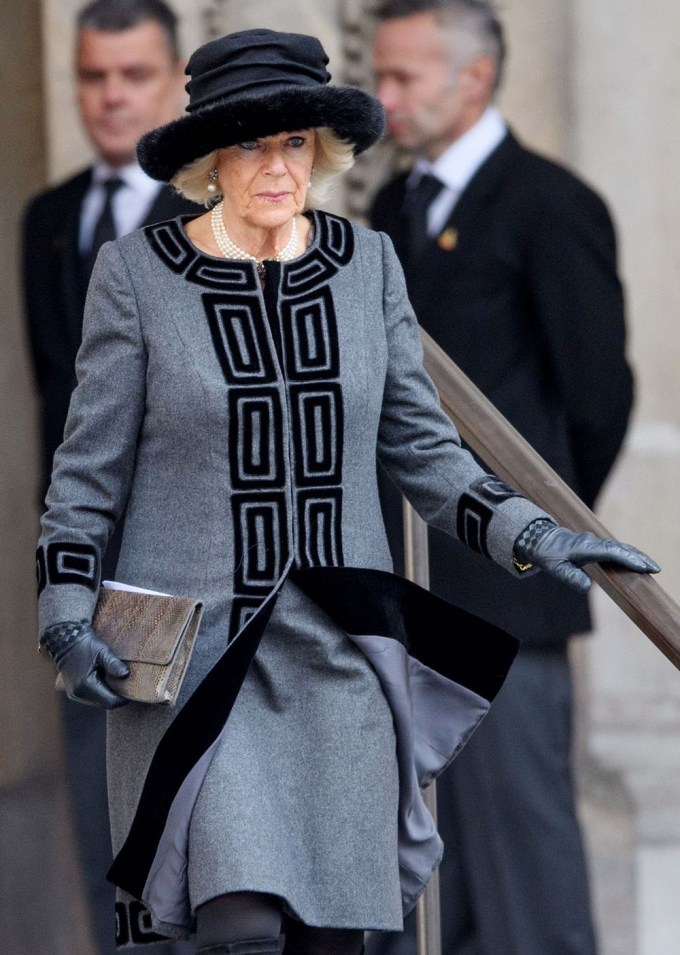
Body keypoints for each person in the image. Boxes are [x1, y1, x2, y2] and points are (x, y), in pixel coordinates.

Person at [34, 26, 658, 955]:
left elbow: (427, 453)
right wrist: (66, 611)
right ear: (210, 156)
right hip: (201, 663)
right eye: (251, 141)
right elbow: (87, 473)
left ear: (321, 147)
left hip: (339, 658)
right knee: (236, 917)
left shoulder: (368, 269)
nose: (277, 164)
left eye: (294, 141)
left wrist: (540, 534)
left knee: (334, 933)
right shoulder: (136, 278)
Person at [367, 1, 634, 953]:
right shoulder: (393, 209)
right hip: (411, 596)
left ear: (472, 78)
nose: (382, 97)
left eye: (401, 78)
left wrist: (529, 532)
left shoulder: (550, 204)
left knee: (529, 876)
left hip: (510, 607)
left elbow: (598, 400)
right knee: (440, 891)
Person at [23, 1, 200, 951]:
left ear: (175, 82)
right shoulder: (48, 221)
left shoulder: (216, 221)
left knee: (192, 842)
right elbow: (64, 415)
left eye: (132, 76)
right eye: (93, 77)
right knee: (104, 840)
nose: (110, 97)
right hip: (88, 584)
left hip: (193, 577)